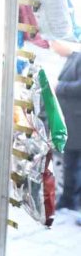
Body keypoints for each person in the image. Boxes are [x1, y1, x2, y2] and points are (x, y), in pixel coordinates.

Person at [53, 40, 81, 213]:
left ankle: (78, 203)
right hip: (70, 122)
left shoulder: (79, 59)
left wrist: (59, 87)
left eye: (54, 45)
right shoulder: (70, 59)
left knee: (77, 166)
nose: (53, 49)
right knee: (69, 163)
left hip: (78, 122)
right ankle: (67, 199)